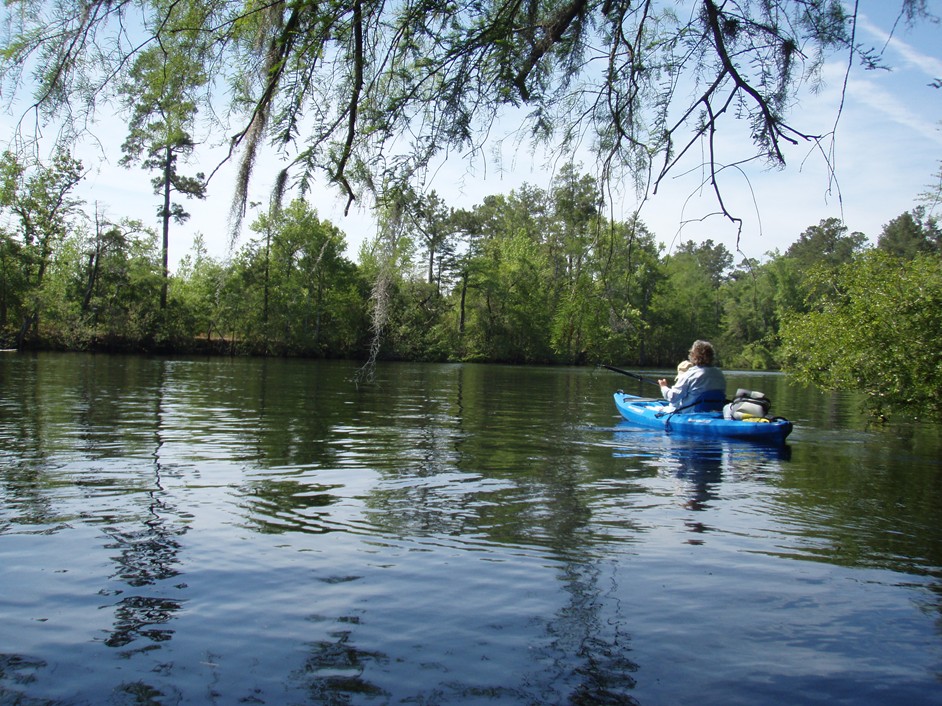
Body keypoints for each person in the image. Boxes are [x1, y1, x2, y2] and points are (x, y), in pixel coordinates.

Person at [657, 340, 726, 412]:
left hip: (692, 413)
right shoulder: (719, 373)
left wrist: (663, 387)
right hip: (714, 411)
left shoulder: (690, 374)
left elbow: (673, 398)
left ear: (694, 355)